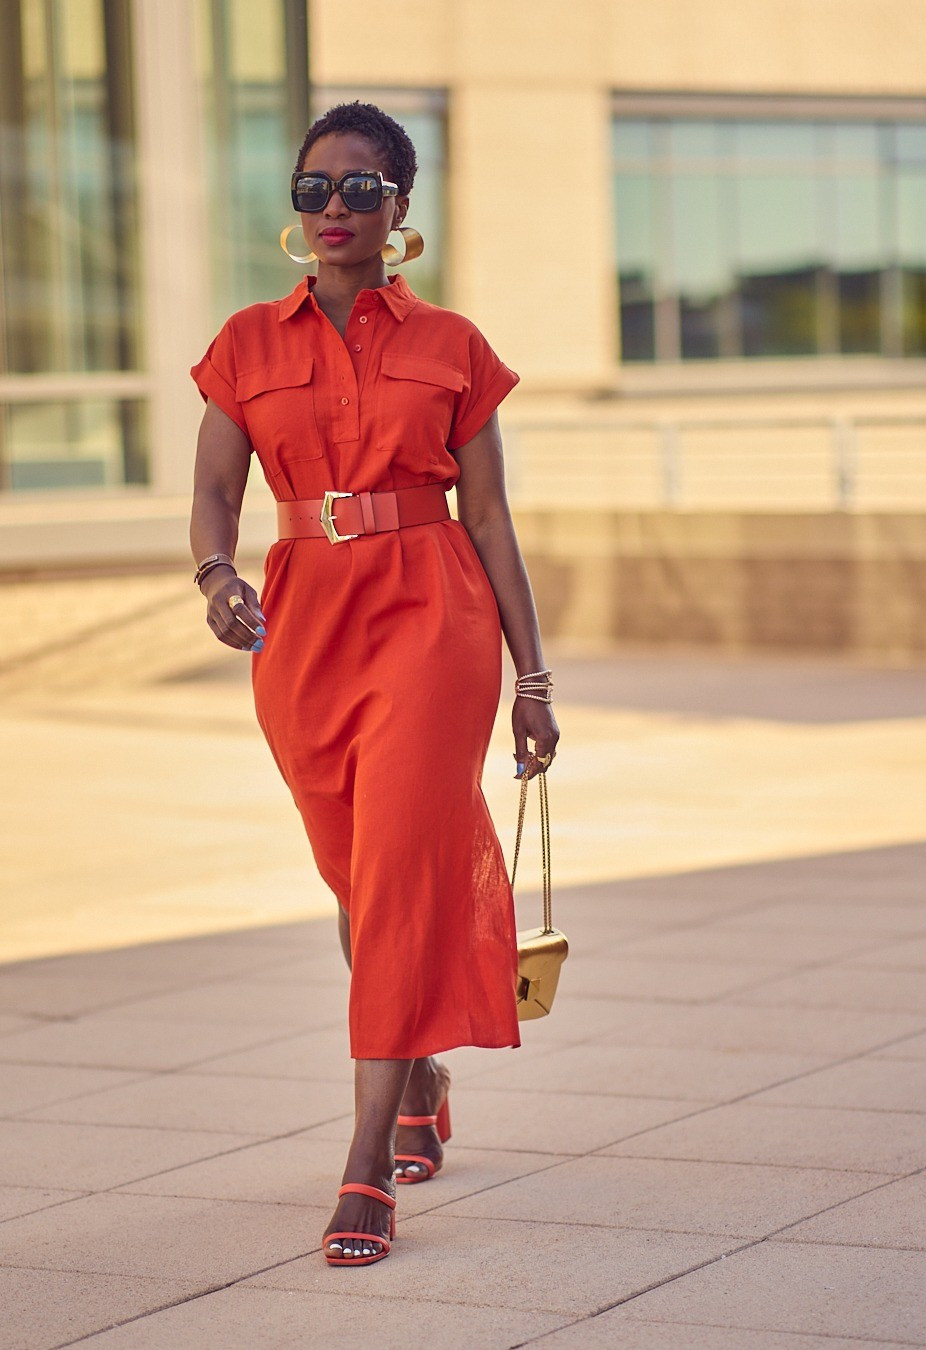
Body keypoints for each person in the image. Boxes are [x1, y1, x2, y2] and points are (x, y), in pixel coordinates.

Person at [188, 102, 559, 1266]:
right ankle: (420, 1070)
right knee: (358, 878)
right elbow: (214, 497)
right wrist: (214, 577)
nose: (334, 209)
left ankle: (363, 1170)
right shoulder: (246, 342)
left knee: (402, 861)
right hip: (303, 630)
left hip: (431, 613)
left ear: (401, 209)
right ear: (295, 211)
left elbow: (490, 516)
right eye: (313, 190)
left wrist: (531, 676)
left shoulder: (453, 344)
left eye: (359, 189)